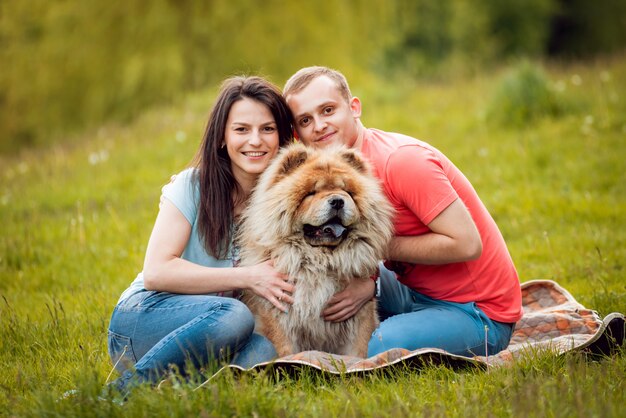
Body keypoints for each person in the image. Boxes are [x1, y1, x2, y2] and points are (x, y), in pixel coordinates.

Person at [283, 66, 522, 358]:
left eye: (328, 110)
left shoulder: (402, 162)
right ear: (297, 134)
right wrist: (370, 284)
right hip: (412, 288)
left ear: (354, 107)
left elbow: (468, 244)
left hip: (476, 311)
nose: (319, 125)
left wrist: (376, 251)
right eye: (306, 120)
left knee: (374, 348)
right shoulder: (339, 169)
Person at [106, 76, 295, 396]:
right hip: (144, 322)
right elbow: (157, 272)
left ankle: (173, 394)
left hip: (212, 339)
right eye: (241, 129)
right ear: (222, 137)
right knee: (234, 314)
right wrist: (249, 277)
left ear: (281, 137)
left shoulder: (281, 200)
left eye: (267, 128)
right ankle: (119, 392)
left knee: (263, 352)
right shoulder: (193, 186)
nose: (255, 140)